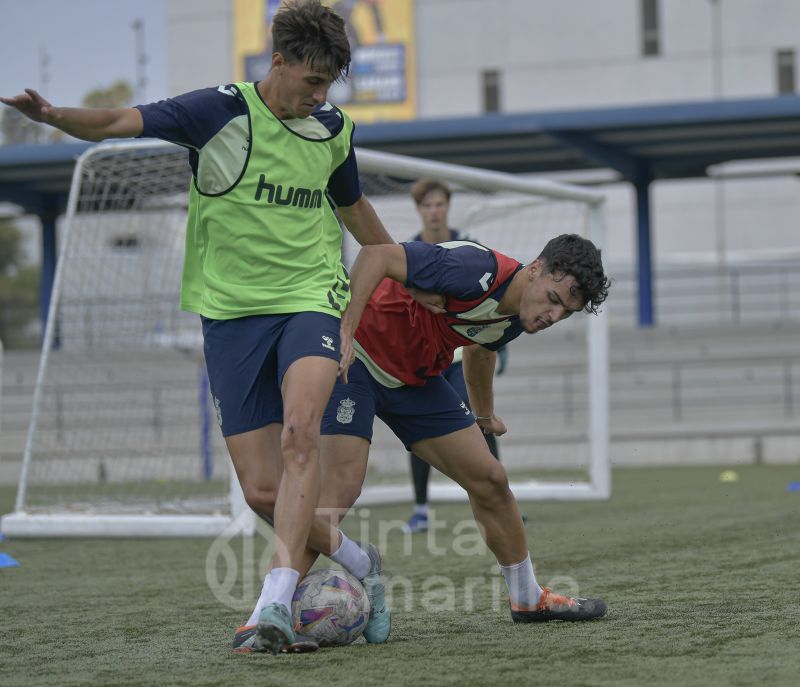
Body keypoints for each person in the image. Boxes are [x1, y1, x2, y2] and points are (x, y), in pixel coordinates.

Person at [2, 0, 393, 655]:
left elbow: (365, 228)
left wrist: (377, 297)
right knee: (262, 488)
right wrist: (54, 117)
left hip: (310, 300)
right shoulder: (218, 112)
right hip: (232, 315)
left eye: (329, 85)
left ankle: (274, 599)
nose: (320, 96)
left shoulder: (333, 130)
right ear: (280, 61)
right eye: (312, 82)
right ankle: (362, 564)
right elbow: (120, 121)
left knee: (303, 431)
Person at [322, 233, 612, 623]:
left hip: (414, 380)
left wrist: (483, 416)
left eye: (566, 313)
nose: (553, 317)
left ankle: (527, 598)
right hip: (357, 358)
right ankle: (271, 604)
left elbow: (480, 349)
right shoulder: (475, 268)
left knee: (490, 479)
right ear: (536, 269)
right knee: (338, 491)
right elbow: (375, 254)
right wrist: (344, 333)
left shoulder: (517, 316)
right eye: (555, 300)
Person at [402, 178, 503, 534]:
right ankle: (420, 509)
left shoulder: (468, 248)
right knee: (418, 435)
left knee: (481, 421)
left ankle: (499, 501)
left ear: (447, 206)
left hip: (461, 357)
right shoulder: (406, 252)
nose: (434, 211)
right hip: (424, 359)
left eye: (439, 204)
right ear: (419, 210)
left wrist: (496, 350)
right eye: (427, 205)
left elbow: (491, 302)